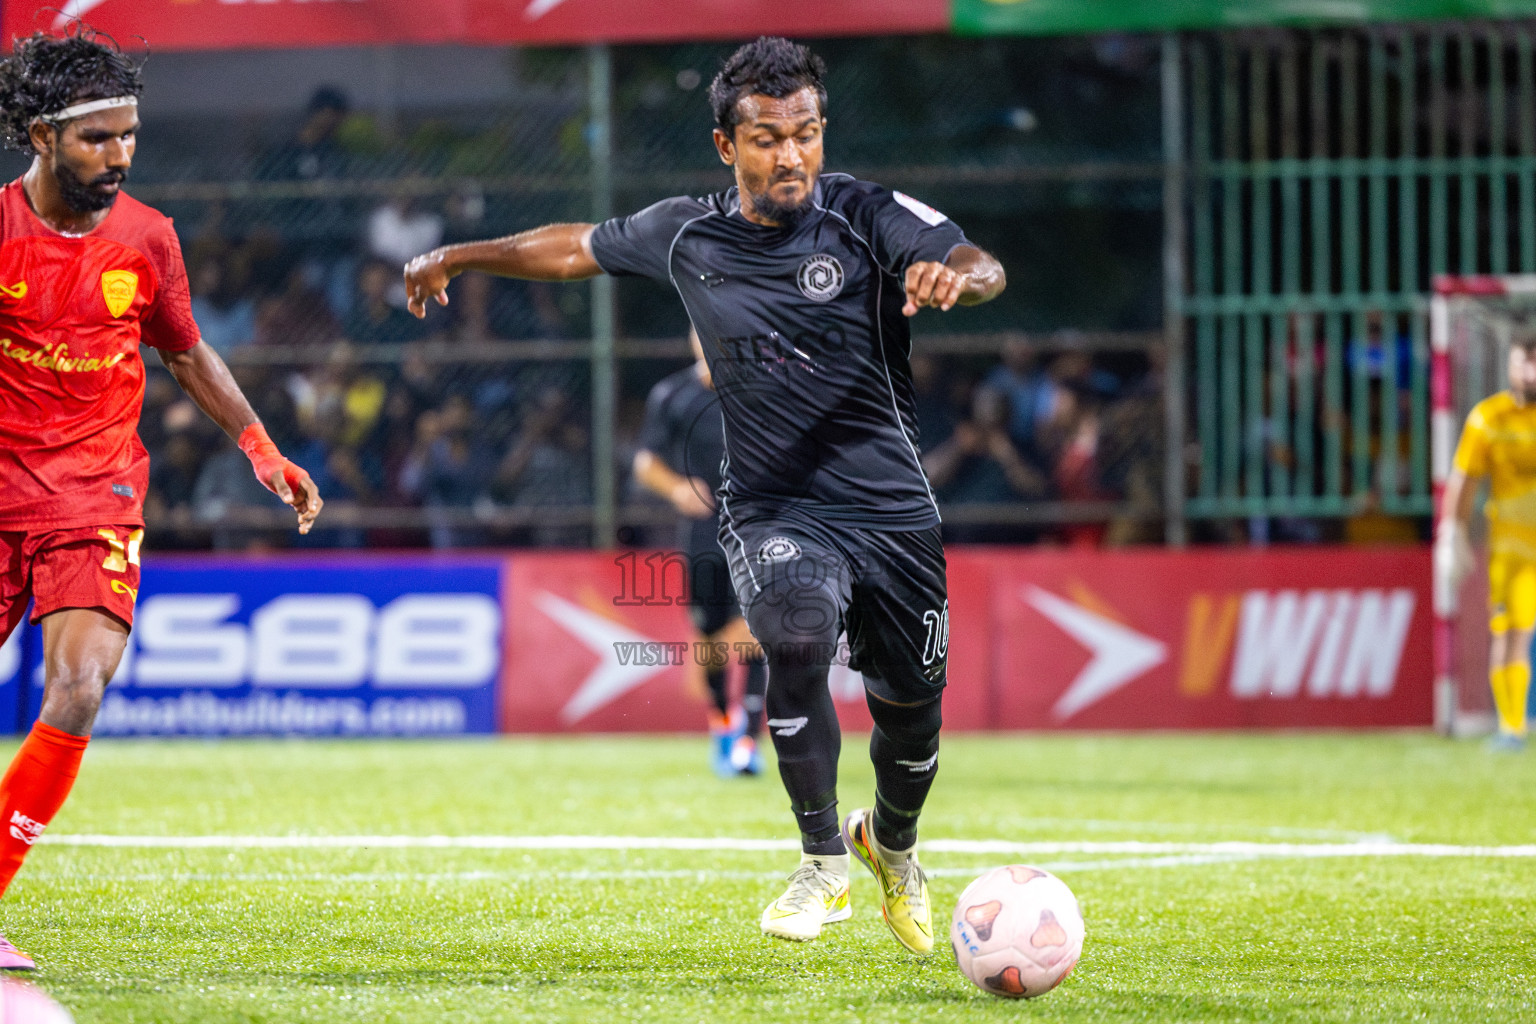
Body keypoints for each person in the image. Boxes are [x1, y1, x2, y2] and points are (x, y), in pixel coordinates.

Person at [404, 36, 1004, 952]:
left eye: (805, 133)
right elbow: (572, 249)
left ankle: (893, 846)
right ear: (728, 146)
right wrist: (463, 254)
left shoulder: (863, 212)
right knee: (795, 637)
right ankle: (820, 868)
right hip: (773, 506)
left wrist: (953, 276)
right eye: (767, 138)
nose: (792, 154)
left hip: (893, 512)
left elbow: (977, 260)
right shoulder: (687, 233)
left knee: (912, 710)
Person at [0, 30, 322, 968]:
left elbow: (185, 350)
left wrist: (261, 446)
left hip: (94, 493)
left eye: (129, 135)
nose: (121, 154)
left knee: (80, 684)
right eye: (98, 139)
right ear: (40, 134)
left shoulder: (148, 238)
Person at [634, 329, 769, 778]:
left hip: (756, 530)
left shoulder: (760, 391)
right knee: (710, 636)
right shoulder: (672, 395)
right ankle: (722, 721)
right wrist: (678, 487)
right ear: (692, 339)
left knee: (757, 630)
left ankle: (749, 740)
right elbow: (645, 463)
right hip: (703, 535)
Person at [1438, 331, 1536, 752]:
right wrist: (1451, 531)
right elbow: (1465, 479)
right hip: (1514, 548)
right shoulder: (1489, 418)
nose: (1530, 372)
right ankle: (1511, 727)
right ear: (1510, 367)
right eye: (1523, 363)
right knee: (1511, 633)